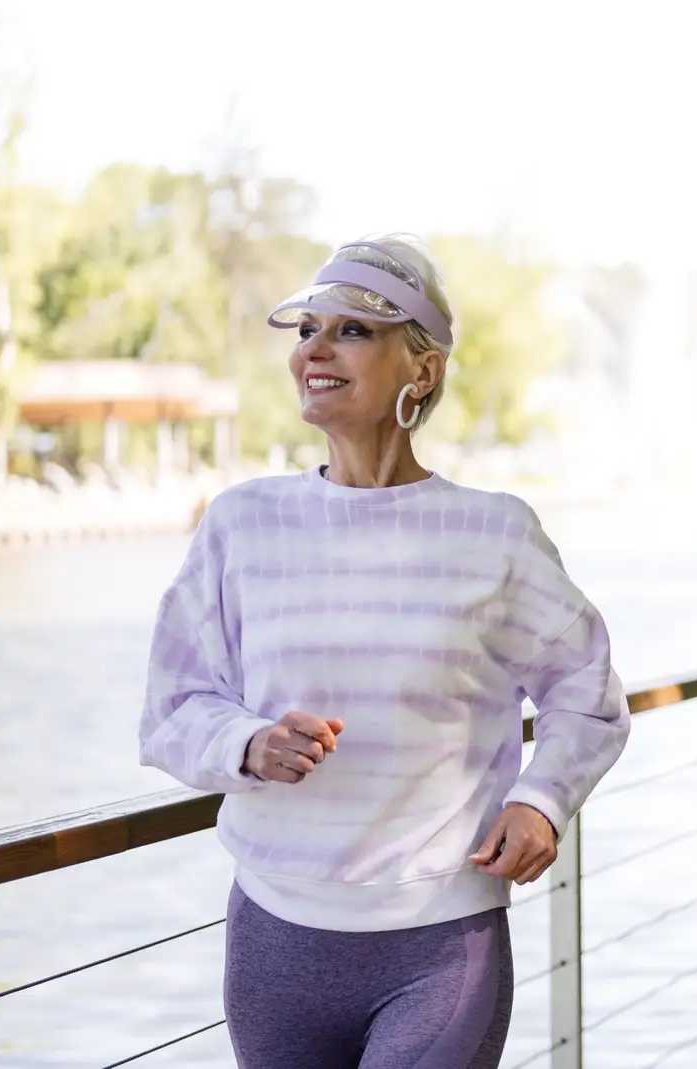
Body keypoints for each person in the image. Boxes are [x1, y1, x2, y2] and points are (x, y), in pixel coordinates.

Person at [137, 235, 631, 1069]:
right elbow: (172, 706)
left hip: (440, 944)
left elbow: (588, 692)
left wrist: (543, 798)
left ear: (422, 369)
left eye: (354, 331)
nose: (314, 351)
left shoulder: (492, 532)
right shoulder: (240, 525)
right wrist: (249, 743)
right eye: (305, 330)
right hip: (275, 940)